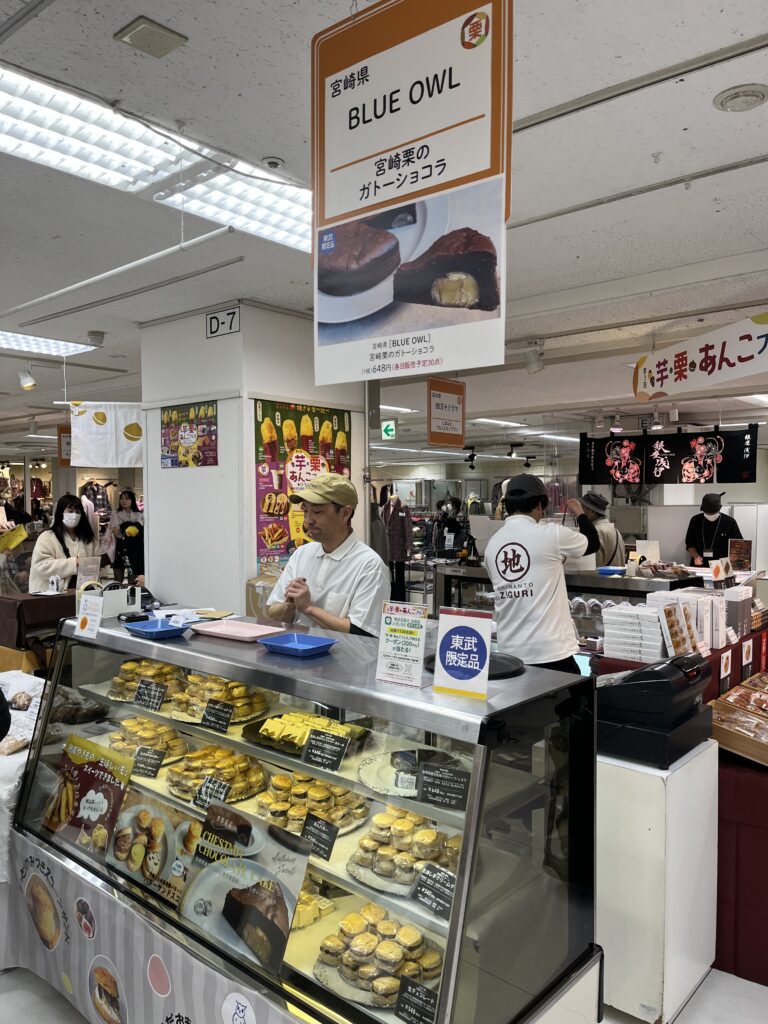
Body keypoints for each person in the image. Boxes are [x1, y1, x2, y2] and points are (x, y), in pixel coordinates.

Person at [484, 474, 599, 673]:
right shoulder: (552, 534)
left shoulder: (492, 545)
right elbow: (593, 543)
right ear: (539, 504)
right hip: (551, 652)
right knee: (574, 690)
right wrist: (580, 513)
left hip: (509, 653)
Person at [266, 473, 390, 637]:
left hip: (341, 654)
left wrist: (308, 608)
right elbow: (273, 611)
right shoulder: (302, 554)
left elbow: (363, 631)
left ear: (345, 513)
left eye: (317, 512)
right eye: (305, 511)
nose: (308, 521)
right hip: (295, 649)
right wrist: (290, 604)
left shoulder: (369, 565)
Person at [29, 495, 100, 593]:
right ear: (61, 512)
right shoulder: (47, 537)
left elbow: (96, 564)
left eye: (77, 512)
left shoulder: (88, 539)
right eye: (70, 511)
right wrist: (74, 563)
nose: (74, 515)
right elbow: (41, 567)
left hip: (82, 594)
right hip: (51, 595)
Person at [685, 492, 742, 567]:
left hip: (722, 565)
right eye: (707, 513)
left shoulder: (729, 522)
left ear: (719, 508)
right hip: (699, 564)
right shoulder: (695, 520)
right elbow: (690, 544)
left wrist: (734, 555)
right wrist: (696, 556)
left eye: (713, 513)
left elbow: (737, 543)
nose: (710, 515)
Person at [580, 491, 625, 567]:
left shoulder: (596, 531)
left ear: (592, 511)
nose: (580, 512)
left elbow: (594, 565)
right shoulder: (614, 529)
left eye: (582, 508)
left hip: (603, 575)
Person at [108, 490, 144, 582]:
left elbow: (140, 530)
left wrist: (124, 527)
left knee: (133, 579)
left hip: (134, 548)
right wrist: (131, 528)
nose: (124, 501)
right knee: (118, 578)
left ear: (132, 500)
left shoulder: (139, 514)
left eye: (127, 499)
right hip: (120, 546)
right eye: (122, 499)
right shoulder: (115, 513)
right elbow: (116, 532)